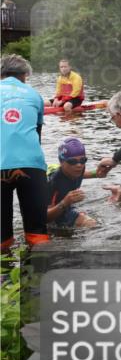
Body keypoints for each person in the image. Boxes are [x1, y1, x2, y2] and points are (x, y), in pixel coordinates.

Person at [1, 54, 49, 251]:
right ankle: (38, 269)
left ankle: (4, 268)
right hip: (32, 165)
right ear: (24, 76)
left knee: (2, 239)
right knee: (38, 235)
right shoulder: (35, 95)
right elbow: (37, 136)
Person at [47, 137, 100, 229]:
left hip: (65, 204)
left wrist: (97, 173)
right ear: (61, 162)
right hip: (54, 209)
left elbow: (82, 174)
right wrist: (65, 202)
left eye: (83, 160)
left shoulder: (77, 169)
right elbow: (44, 217)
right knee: (90, 224)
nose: (79, 165)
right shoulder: (53, 183)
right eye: (72, 161)